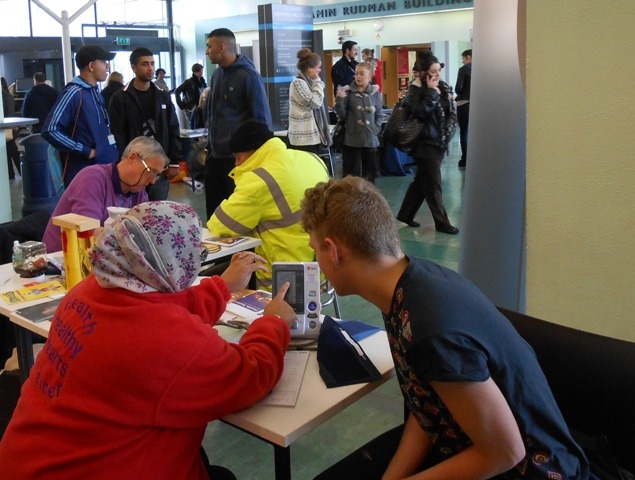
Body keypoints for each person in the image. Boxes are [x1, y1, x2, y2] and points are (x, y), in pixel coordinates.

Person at [301, 176, 589, 480]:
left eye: (315, 250)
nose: (317, 261)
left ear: (333, 250)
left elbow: (505, 452)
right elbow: (428, 401)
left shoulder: (429, 329)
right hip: (471, 447)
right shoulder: (408, 282)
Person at [0, 200, 296, 479]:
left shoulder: (88, 291)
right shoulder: (171, 341)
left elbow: (154, 310)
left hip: (31, 462)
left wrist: (221, 287)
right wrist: (274, 323)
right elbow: (252, 374)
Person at [208, 120, 329, 290]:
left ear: (254, 152)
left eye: (238, 157)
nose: (236, 164)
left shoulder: (259, 179)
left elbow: (221, 225)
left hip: (282, 281)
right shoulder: (312, 158)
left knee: (209, 283)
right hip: (323, 268)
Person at [41, 136, 166, 253]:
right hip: (62, 261)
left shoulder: (138, 191)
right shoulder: (92, 178)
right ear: (133, 158)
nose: (153, 180)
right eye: (151, 172)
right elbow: (88, 232)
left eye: (157, 175)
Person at [204, 28, 272, 219]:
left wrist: (253, 160)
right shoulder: (217, 75)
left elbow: (261, 122)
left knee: (237, 218)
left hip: (237, 162)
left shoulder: (248, 76)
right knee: (214, 216)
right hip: (215, 158)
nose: (207, 51)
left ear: (222, 47)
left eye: (209, 46)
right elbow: (213, 115)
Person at [396, 52, 459, 234]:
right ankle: (441, 222)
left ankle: (406, 214)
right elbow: (420, 113)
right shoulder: (415, 90)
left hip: (438, 142)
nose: (437, 74)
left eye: (439, 70)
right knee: (433, 185)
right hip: (424, 144)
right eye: (433, 71)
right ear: (423, 73)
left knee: (421, 182)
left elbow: (448, 111)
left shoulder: (443, 87)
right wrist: (431, 93)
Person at [108, 47, 182, 201]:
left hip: (160, 168)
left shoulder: (162, 95)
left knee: (157, 211)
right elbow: (118, 133)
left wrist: (175, 161)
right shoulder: (121, 98)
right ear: (134, 67)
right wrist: (122, 162)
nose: (150, 68)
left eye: (152, 63)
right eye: (144, 64)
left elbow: (173, 127)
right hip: (133, 168)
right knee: (133, 212)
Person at [41, 44, 119, 187]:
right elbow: (50, 130)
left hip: (101, 169)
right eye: (103, 62)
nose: (107, 66)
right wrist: (85, 151)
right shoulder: (74, 93)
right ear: (91, 66)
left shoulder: (93, 92)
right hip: (82, 174)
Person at [334, 62, 382, 184]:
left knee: (370, 177)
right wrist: (339, 100)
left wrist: (376, 129)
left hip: (370, 139)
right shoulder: (346, 91)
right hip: (351, 140)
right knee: (351, 177)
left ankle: (370, 201)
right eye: (356, 74)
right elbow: (342, 115)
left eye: (362, 74)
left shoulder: (375, 93)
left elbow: (379, 115)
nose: (358, 77)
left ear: (370, 75)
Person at [287, 48, 332, 162]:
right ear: (310, 69)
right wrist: (317, 81)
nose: (319, 71)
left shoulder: (309, 83)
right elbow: (316, 102)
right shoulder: (298, 83)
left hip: (311, 138)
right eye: (318, 68)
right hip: (303, 140)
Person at [455, 48, 472, 169]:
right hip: (477, 104)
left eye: (463, 58)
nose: (463, 61)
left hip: (464, 103)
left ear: (469, 57)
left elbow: (458, 88)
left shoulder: (463, 70)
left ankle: (465, 159)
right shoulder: (482, 69)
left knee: (464, 131)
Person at [1, 77, 21, 179]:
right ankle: (11, 173)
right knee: (8, 151)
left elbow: (9, 113)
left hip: (7, 129)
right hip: (8, 128)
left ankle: (17, 172)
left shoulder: (5, 96)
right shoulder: (7, 96)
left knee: (12, 151)